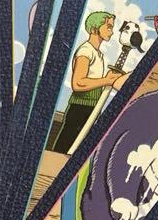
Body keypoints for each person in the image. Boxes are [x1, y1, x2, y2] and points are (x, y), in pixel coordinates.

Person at [50, 11, 126, 153]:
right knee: (66, 146)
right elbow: (78, 83)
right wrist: (106, 80)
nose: (112, 32)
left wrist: (107, 80)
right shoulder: (86, 51)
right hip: (80, 107)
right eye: (109, 27)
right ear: (94, 28)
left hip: (92, 107)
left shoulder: (98, 54)